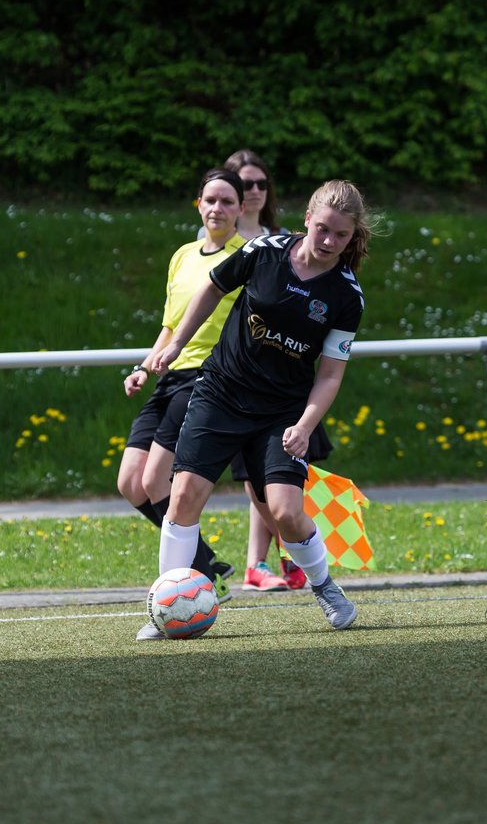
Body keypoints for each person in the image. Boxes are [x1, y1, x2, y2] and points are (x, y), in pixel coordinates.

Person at [137, 179, 376, 640]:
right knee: (183, 496)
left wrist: (306, 425)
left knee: (286, 513)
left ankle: (324, 587)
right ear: (307, 218)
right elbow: (211, 288)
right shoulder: (264, 251)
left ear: (352, 235)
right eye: (322, 229)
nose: (329, 242)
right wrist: (176, 344)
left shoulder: (347, 295)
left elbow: (329, 374)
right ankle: (164, 607)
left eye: (340, 235)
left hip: (281, 411)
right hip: (222, 392)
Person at [200, 150, 333, 591]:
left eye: (261, 184)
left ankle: (296, 562)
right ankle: (257, 562)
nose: (254, 191)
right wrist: (170, 349)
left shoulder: (292, 244)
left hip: (281, 386)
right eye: (245, 184)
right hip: (228, 374)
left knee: (278, 489)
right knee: (251, 484)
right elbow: (201, 294)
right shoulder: (219, 242)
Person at [117, 169, 247, 600]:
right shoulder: (183, 255)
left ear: (241, 210)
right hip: (170, 375)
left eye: (228, 201)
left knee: (156, 480)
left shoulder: (245, 255)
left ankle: (203, 576)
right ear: (198, 204)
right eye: (210, 199)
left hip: (208, 377)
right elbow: (171, 325)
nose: (218, 208)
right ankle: (209, 565)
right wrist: (144, 364)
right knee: (130, 483)